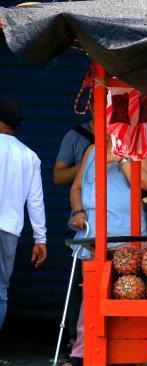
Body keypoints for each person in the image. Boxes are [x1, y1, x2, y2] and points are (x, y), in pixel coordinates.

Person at [65, 132, 147, 366]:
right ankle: (82, 354)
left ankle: (127, 353)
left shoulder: (142, 148)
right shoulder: (91, 150)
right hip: (93, 237)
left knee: (128, 294)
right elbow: (76, 187)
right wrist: (77, 211)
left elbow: (145, 182)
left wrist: (122, 158)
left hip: (128, 238)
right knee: (91, 298)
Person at [0, 96, 47, 330]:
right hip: (9, 231)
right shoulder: (30, 156)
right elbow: (35, 201)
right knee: (0, 291)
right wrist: (41, 239)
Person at [53, 118, 94, 359]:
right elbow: (58, 177)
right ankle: (75, 342)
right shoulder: (75, 136)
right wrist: (89, 162)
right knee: (80, 285)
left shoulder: (126, 142)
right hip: (85, 223)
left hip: (119, 224)